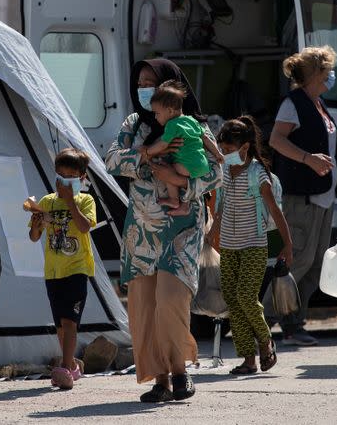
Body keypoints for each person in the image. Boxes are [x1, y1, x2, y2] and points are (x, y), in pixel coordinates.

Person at [105, 58, 222, 403]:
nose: (144, 89)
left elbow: (216, 170)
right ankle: (160, 380)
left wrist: (181, 183)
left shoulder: (195, 124)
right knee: (145, 307)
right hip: (141, 233)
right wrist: (148, 154)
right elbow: (112, 160)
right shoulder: (133, 124)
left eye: (151, 83)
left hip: (182, 230)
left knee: (171, 300)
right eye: (139, 82)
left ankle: (180, 371)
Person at [269, 45, 337, 346]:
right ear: (314, 74)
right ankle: (262, 320)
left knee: (316, 263)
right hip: (303, 197)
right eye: (327, 71)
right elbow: (276, 140)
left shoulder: (317, 103)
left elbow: (323, 142)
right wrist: (308, 159)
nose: (331, 76)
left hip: (323, 197)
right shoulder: (293, 103)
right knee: (298, 261)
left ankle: (294, 324)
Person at [207, 116, 294, 375]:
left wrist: (287, 245)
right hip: (230, 248)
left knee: (246, 296)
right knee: (233, 301)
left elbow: (275, 212)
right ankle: (248, 359)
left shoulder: (258, 174)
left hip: (254, 246)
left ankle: (266, 342)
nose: (225, 155)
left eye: (229, 151)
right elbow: (221, 204)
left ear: (244, 148)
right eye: (222, 150)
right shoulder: (224, 171)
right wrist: (214, 230)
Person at [27, 148, 96, 390]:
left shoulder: (85, 200)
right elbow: (34, 237)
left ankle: (65, 369)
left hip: (77, 269)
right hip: (53, 271)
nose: (63, 183)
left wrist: (70, 201)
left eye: (70, 178)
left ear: (81, 179)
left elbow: (85, 227)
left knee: (69, 321)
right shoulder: (46, 202)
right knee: (60, 325)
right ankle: (72, 366)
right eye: (60, 177)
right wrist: (36, 225)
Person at [146, 80, 224, 216]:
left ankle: (174, 200)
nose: (155, 117)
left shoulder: (172, 125)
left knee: (167, 170)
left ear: (169, 111)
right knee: (181, 171)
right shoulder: (192, 120)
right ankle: (185, 204)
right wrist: (217, 153)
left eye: (157, 113)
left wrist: (147, 151)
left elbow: (164, 144)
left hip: (186, 166)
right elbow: (205, 138)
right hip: (202, 165)